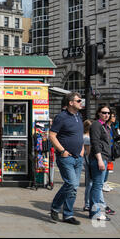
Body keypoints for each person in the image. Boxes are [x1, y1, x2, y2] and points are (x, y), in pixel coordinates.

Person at [49, 92, 85, 225]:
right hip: (66, 158)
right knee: (72, 184)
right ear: (71, 103)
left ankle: (68, 215)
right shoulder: (61, 117)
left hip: (78, 157)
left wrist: (81, 150)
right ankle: (55, 207)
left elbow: (79, 134)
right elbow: (52, 135)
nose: (81, 102)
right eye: (78, 100)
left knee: (73, 188)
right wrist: (62, 151)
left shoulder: (79, 115)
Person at [89, 105, 113, 222]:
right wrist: (99, 159)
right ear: (98, 113)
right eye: (104, 112)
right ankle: (96, 213)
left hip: (103, 158)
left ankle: (94, 210)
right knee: (97, 186)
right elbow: (95, 143)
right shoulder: (96, 125)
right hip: (98, 158)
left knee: (97, 186)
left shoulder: (104, 126)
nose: (106, 115)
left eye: (108, 113)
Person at [82, 120, 92, 212]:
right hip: (89, 163)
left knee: (89, 183)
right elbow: (88, 153)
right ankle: (88, 204)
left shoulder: (83, 136)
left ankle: (87, 203)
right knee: (90, 184)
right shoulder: (87, 138)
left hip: (85, 162)